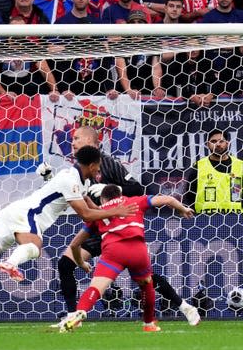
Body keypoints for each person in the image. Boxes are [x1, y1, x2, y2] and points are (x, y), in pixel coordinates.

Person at [0, 145, 139, 282]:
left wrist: (111, 214)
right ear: (90, 165)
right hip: (27, 215)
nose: (99, 171)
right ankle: (10, 264)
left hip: (11, 213)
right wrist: (119, 209)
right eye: (97, 166)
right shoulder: (70, 179)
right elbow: (87, 215)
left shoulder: (77, 181)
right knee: (34, 247)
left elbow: (93, 209)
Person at [55, 126, 201, 326]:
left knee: (145, 278)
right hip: (96, 225)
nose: (73, 142)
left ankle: (183, 306)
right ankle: (73, 317)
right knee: (65, 264)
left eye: (77, 138)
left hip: (116, 227)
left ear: (91, 142)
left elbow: (137, 188)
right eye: (73, 138)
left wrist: (112, 189)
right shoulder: (77, 169)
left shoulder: (108, 163)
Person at [59, 184, 194, 333]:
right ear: (120, 194)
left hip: (113, 252)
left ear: (103, 200)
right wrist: (183, 209)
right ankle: (149, 324)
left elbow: (74, 244)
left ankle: (81, 311)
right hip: (138, 251)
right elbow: (168, 199)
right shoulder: (135, 201)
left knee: (96, 288)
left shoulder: (100, 214)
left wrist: (81, 263)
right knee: (147, 285)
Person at [184, 129, 243, 213]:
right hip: (205, 220)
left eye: (221, 141)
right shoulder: (199, 166)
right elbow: (190, 195)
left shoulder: (240, 165)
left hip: (236, 219)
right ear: (208, 144)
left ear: (227, 143)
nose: (218, 144)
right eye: (214, 141)